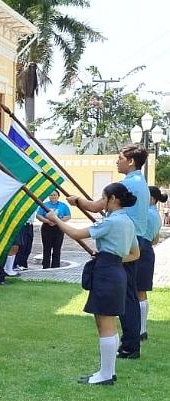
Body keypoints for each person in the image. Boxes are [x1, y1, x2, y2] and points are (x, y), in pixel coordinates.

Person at [45, 183, 139, 385]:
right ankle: (108, 372)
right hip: (116, 271)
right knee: (110, 323)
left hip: (106, 273)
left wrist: (55, 220)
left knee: (104, 324)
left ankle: (105, 375)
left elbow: (77, 234)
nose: (101, 203)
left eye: (103, 198)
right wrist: (111, 255)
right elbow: (134, 254)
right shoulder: (128, 221)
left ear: (113, 199)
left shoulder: (112, 221)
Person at [68, 144, 151, 359]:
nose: (117, 160)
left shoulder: (128, 184)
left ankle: (130, 345)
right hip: (133, 240)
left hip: (126, 243)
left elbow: (97, 206)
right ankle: (130, 342)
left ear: (130, 161)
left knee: (127, 297)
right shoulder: (139, 181)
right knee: (129, 295)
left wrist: (77, 200)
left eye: (120, 157)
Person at [141, 186, 167, 341]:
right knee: (141, 291)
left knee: (138, 291)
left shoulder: (145, 214)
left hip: (141, 250)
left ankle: (141, 329)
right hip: (148, 250)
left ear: (151, 199)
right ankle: (142, 328)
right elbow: (155, 239)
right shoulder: (155, 215)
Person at [36, 190, 71, 269]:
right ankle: (45, 266)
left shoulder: (63, 205)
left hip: (59, 228)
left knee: (57, 248)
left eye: (55, 195)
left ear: (58, 196)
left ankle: (55, 266)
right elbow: (38, 215)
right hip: (47, 228)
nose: (53, 196)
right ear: (49, 196)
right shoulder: (44, 205)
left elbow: (68, 216)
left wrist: (58, 221)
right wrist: (47, 221)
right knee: (46, 248)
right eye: (51, 195)